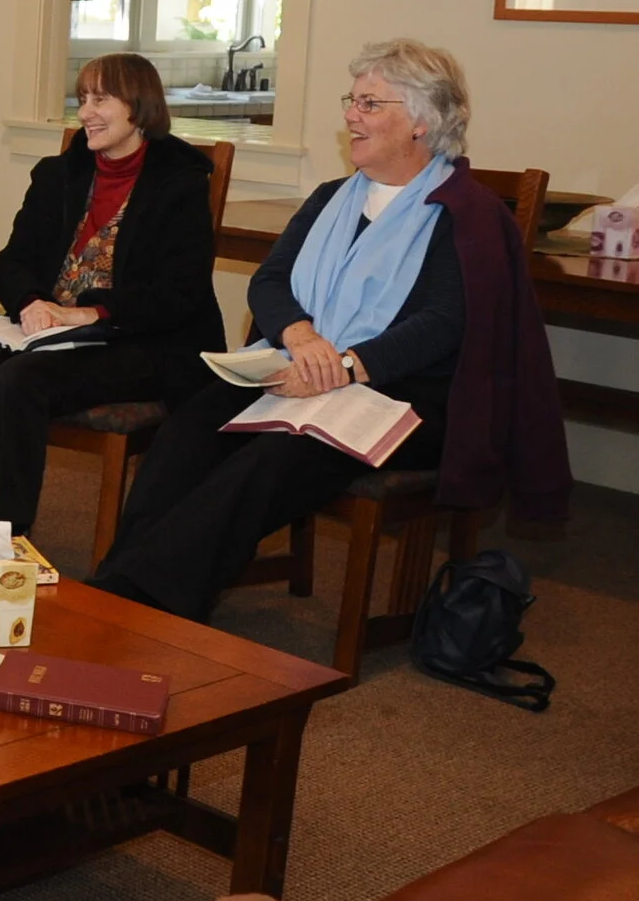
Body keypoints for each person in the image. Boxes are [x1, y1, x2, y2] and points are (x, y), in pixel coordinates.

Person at [91, 39, 570, 622]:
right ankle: (121, 578)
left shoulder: (467, 212)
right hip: (302, 367)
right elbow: (270, 282)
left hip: (406, 396)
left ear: (420, 121)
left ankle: (148, 599)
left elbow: (442, 325)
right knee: (191, 426)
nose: (351, 115)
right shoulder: (331, 199)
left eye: (370, 104)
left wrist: (341, 367)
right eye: (353, 100)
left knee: (273, 458)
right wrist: (300, 338)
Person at [0, 53, 224, 539]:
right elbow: (12, 260)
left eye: (100, 100)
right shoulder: (59, 175)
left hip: (143, 340)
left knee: (20, 380)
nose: (85, 112)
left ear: (139, 107)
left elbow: (179, 293)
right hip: (54, 334)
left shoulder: (180, 183)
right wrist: (29, 302)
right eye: (82, 98)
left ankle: (8, 535)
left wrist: (90, 312)